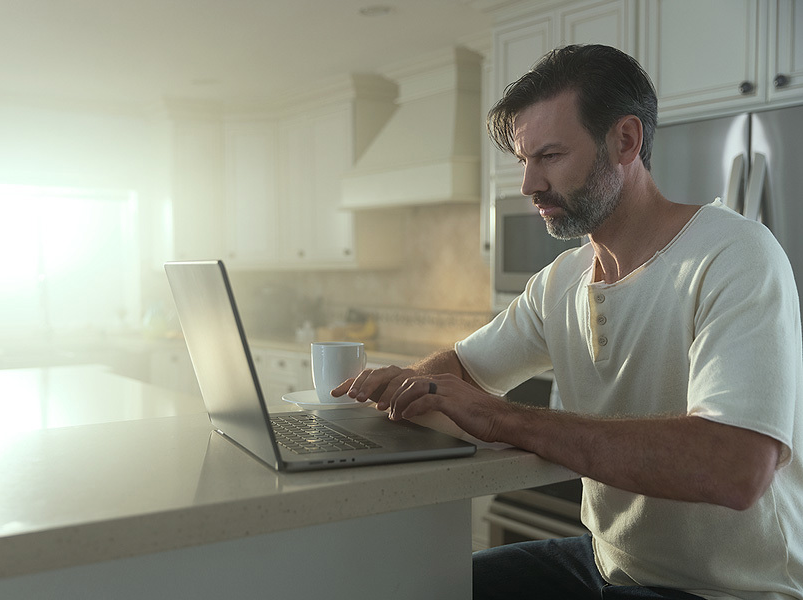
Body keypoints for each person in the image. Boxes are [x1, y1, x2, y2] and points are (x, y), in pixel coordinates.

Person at [332, 44, 803, 599]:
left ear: (625, 141)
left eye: (550, 156)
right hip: (606, 564)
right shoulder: (561, 282)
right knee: (425, 589)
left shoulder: (733, 253)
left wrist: (499, 417)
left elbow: (735, 467)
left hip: (726, 592)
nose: (529, 184)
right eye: (524, 160)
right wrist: (408, 387)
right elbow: (460, 371)